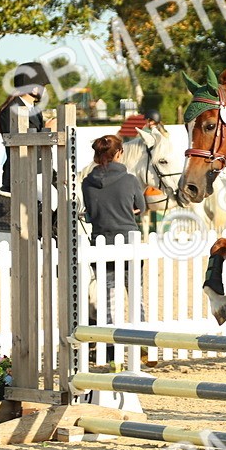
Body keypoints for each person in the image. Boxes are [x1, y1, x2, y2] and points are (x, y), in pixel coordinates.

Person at [82, 134, 147, 323]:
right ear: (119, 153)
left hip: (102, 244)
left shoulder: (87, 183)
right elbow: (140, 208)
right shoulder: (130, 180)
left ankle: (109, 348)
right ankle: (141, 343)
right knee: (136, 296)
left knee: (108, 298)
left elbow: (91, 213)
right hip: (128, 243)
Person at [0, 61, 50, 193]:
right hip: (20, 174)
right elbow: (22, 144)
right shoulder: (12, 110)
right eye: (43, 86)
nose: (45, 90)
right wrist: (49, 132)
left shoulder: (35, 109)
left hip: (39, 172)